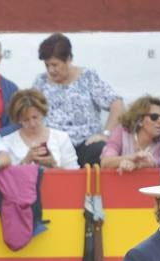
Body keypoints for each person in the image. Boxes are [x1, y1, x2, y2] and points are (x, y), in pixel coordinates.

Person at [30, 33, 123, 168]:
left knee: (101, 151)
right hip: (54, 145)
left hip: (86, 144)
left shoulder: (88, 77)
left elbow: (117, 104)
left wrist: (106, 134)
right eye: (47, 65)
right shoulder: (41, 82)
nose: (51, 70)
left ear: (68, 59)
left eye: (55, 65)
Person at [2, 88, 79, 170]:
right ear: (18, 119)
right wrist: (26, 161)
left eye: (35, 117)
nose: (32, 124)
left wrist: (53, 166)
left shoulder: (61, 138)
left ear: (42, 112)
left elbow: (74, 174)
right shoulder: (7, 142)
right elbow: (6, 178)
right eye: (26, 120)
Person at [100, 96, 160, 173]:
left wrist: (136, 165)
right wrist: (132, 157)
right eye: (154, 117)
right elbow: (105, 161)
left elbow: (159, 163)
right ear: (140, 120)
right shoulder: (122, 133)